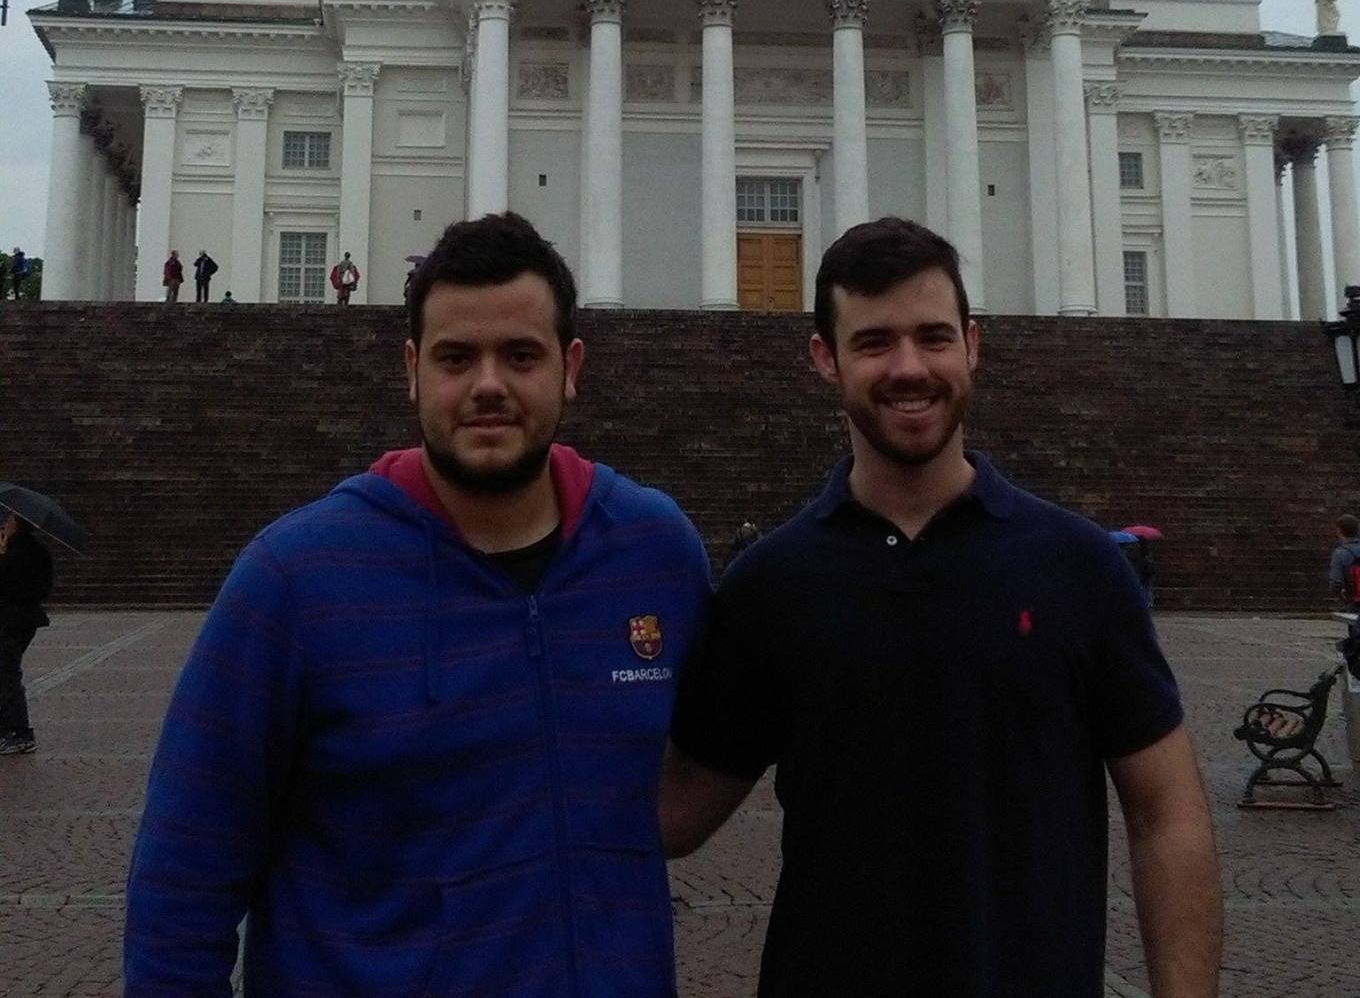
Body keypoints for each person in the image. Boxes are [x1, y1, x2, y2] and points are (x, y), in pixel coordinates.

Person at [125, 211, 711, 996]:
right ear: (412, 368)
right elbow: (184, 878)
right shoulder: (296, 580)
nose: (489, 384)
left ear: (571, 365)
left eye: (521, 354)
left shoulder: (654, 552)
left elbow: (726, 749)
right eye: (456, 357)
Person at [662, 217, 1222, 998]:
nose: (908, 367)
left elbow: (1168, 813)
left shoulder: (1079, 567)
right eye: (873, 341)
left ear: (972, 344)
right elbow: (675, 815)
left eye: (933, 336)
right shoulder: (771, 584)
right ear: (825, 358)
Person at [0, 511, 54, 755]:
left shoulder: (15, 553)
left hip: (9, 620)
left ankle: (18, 732)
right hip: (26, 619)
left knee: (7, 674)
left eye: (8, 521)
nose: (4, 524)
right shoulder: (40, 552)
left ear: (17, 525)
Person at [1328, 513, 1360, 610]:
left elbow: (1336, 582)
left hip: (1354, 601)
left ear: (1339, 530)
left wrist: (1341, 597)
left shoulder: (1340, 553)